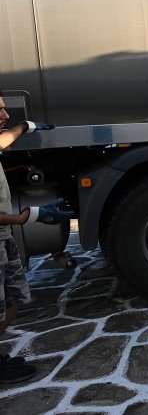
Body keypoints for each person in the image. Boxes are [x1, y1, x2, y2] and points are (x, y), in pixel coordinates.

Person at [0, 94, 73, 383]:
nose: (6, 116)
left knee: (15, 297)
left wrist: (25, 126)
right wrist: (29, 216)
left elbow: (3, 139)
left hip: (3, 239)